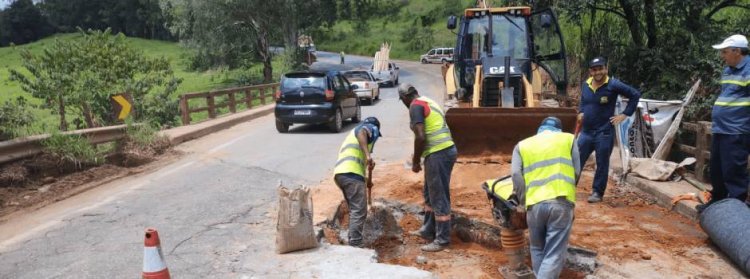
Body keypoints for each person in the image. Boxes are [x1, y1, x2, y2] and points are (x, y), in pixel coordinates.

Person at [511, 117, 581, 278]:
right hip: (560, 201)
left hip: (534, 205)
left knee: (537, 248)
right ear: (559, 130)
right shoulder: (569, 139)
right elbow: (576, 172)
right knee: (554, 253)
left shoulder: (522, 145)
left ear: (540, 129)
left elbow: (516, 174)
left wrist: (522, 201)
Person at [398, 83, 457, 252]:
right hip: (442, 151)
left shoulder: (415, 106)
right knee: (429, 193)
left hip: (438, 153)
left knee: (439, 196)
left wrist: (416, 161)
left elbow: (421, 136)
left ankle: (442, 240)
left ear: (405, 98)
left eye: (402, 100)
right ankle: (428, 229)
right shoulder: (427, 101)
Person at [697, 34, 750, 213]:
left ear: (737, 51)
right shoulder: (728, 70)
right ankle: (717, 202)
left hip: (736, 130)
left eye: (725, 52)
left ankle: (735, 210)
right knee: (717, 169)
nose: (722, 56)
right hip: (720, 128)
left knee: (733, 171)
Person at [577, 56, 641, 203]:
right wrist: (581, 111)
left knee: (602, 163)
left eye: (600, 68)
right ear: (590, 71)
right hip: (586, 132)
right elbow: (583, 101)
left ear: (606, 69)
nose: (597, 72)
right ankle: (568, 187)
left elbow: (635, 94)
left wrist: (624, 114)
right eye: (594, 69)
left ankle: (597, 193)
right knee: (576, 160)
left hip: (604, 132)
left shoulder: (613, 85)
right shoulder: (585, 85)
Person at [332, 117, 383, 247]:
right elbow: (362, 131)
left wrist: (367, 180)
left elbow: (359, 165)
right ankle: (355, 243)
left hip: (342, 174)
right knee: (359, 210)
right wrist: (368, 156)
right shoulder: (365, 128)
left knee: (355, 209)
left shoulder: (354, 138)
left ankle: (352, 239)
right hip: (351, 174)